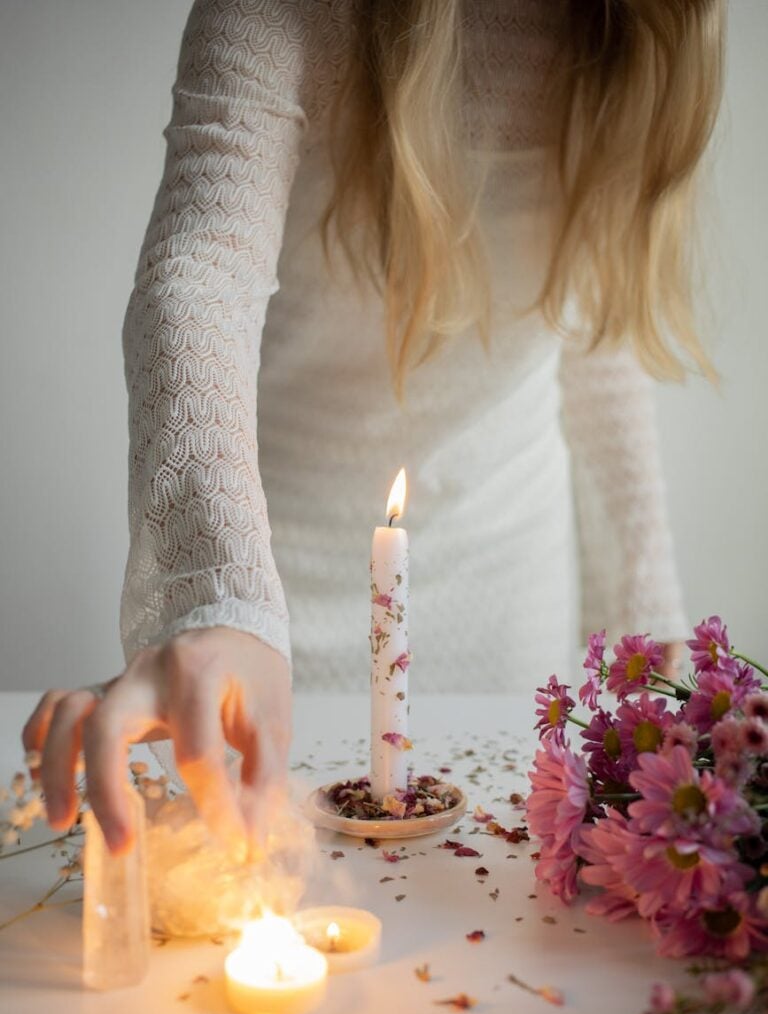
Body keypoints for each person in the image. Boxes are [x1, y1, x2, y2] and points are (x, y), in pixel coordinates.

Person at [22, 0, 722, 856]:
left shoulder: (643, 28)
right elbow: (202, 279)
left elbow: (598, 347)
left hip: (508, 611)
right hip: (273, 608)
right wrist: (219, 596)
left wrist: (655, 654)